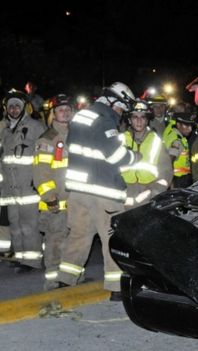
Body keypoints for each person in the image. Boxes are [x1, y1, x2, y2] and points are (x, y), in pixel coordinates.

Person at [56, 82, 139, 300]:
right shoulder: (105, 118)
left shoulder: (81, 116)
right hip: (103, 192)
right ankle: (116, 288)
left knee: (78, 235)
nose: (121, 113)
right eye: (122, 108)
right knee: (112, 238)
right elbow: (114, 155)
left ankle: (65, 279)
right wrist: (134, 157)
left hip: (78, 191)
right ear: (114, 101)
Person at [0, 89, 46, 272]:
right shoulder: (5, 130)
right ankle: (20, 257)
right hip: (10, 189)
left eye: (17, 106)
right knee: (16, 226)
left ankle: (32, 261)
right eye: (10, 106)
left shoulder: (35, 127)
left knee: (30, 226)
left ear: (23, 108)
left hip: (29, 188)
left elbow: (44, 156)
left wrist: (40, 182)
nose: (13, 109)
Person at [33, 94, 73, 289]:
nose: (64, 113)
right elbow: (40, 174)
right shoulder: (47, 140)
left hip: (77, 203)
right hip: (56, 205)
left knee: (74, 244)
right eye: (60, 110)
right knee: (55, 244)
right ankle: (53, 282)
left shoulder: (78, 136)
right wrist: (50, 198)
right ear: (53, 114)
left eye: (68, 109)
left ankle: (70, 278)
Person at [121, 100, 172, 208]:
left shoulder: (156, 141)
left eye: (143, 117)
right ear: (129, 120)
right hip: (123, 197)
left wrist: (154, 191)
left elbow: (166, 171)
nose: (139, 121)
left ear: (147, 120)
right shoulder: (121, 139)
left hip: (148, 198)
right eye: (135, 117)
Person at [163, 112, 194, 188]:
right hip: (178, 180)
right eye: (186, 125)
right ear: (178, 125)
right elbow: (169, 161)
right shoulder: (177, 141)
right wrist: (171, 183)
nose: (190, 129)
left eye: (190, 125)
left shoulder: (171, 133)